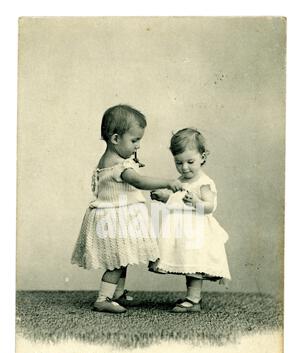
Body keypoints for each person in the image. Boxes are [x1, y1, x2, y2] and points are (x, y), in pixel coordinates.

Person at [71, 104, 183, 313]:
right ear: (115, 139)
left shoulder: (110, 160)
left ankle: (117, 294)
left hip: (111, 217)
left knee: (121, 258)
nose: (138, 146)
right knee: (116, 262)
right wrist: (166, 183)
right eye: (134, 140)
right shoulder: (120, 166)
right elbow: (138, 182)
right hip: (116, 220)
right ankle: (103, 298)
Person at [150, 128, 231, 312]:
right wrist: (163, 196)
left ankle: (194, 300)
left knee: (194, 263)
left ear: (203, 157)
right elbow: (175, 198)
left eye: (190, 162)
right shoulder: (180, 180)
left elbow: (210, 207)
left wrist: (197, 202)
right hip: (182, 231)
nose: (184, 167)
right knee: (187, 262)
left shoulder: (204, 182)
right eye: (179, 162)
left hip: (197, 230)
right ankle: (191, 297)